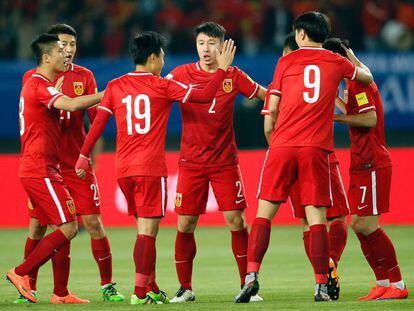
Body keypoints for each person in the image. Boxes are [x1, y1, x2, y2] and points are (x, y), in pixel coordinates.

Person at [75, 31, 236, 305]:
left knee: (142, 230)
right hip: (150, 168)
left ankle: (150, 286)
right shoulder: (161, 86)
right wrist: (222, 70)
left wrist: (82, 156)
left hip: (123, 170)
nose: (163, 60)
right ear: (152, 58)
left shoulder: (115, 85)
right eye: (161, 55)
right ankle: (140, 292)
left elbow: (98, 124)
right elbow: (207, 94)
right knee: (147, 233)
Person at [235, 11, 373, 303]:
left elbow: (272, 106)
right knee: (316, 219)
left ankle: (251, 277)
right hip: (316, 148)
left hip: (282, 146)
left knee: (263, 215)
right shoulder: (337, 62)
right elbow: (366, 77)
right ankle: (321, 285)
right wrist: (351, 58)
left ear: (299, 34)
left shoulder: (285, 61)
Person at [16, 23, 123, 304]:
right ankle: (24, 279)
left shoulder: (82, 75)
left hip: (68, 163)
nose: (68, 52)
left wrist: (89, 154)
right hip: (43, 167)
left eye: (72, 46)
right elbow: (69, 106)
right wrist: (111, 91)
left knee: (86, 223)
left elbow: (93, 117)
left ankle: (68, 291)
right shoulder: (36, 80)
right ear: (49, 53)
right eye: (62, 47)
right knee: (48, 226)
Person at [165, 21, 266, 303]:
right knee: (185, 223)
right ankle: (185, 288)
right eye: (201, 43)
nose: (206, 49)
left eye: (211, 44)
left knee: (236, 221)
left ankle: (246, 285)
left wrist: (294, 103)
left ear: (223, 46)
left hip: (224, 162)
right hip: (191, 162)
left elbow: (265, 96)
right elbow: (159, 94)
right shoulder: (181, 73)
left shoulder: (234, 75)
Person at [262, 32, 349, 301]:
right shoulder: (324, 74)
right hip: (320, 155)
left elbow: (268, 127)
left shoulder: (277, 85)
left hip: (285, 156)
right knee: (334, 220)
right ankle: (327, 269)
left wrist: (281, 151)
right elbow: (347, 113)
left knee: (306, 223)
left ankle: (323, 272)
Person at [324, 37, 409, 300]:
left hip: (373, 161)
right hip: (361, 161)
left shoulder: (358, 81)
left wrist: (334, 117)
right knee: (358, 224)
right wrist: (333, 101)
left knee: (366, 224)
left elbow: (369, 119)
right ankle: (382, 282)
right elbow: (352, 106)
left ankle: (398, 283)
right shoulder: (353, 80)